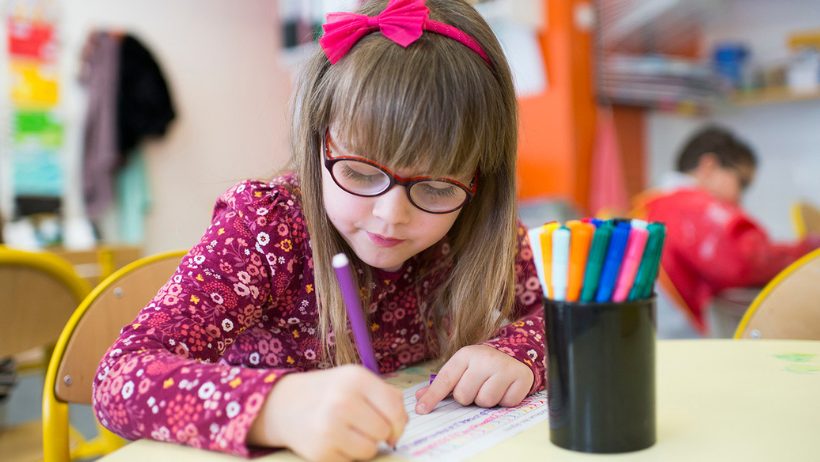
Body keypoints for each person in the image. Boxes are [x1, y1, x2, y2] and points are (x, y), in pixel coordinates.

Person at [92, 1, 545, 460]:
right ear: (317, 142)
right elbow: (119, 379)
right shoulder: (265, 230)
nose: (390, 215)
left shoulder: (479, 227)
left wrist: (521, 350)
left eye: (434, 187)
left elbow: (568, 314)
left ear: (478, 181)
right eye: (361, 173)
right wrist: (277, 408)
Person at [634, 126, 819, 338]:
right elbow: (745, 260)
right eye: (742, 183)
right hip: (674, 343)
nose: (740, 198)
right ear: (709, 166)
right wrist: (808, 247)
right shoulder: (691, 205)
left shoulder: (655, 202)